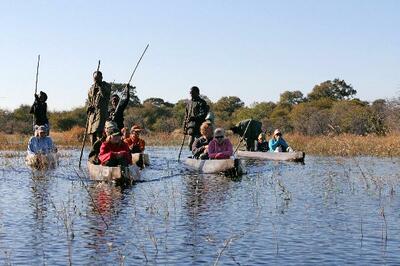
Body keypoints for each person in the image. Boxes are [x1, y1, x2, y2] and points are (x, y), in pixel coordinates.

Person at [87, 71, 111, 145]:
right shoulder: (91, 88)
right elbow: (90, 101)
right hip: (92, 117)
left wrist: (100, 86)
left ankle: (101, 154)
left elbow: (105, 95)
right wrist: (89, 108)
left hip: (101, 116)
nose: (96, 80)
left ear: (101, 78)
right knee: (92, 137)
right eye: (95, 79)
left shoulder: (106, 86)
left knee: (100, 137)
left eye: (98, 78)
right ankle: (93, 155)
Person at [184, 86, 210, 150]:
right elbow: (186, 116)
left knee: (198, 144)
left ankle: (199, 155)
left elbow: (203, 114)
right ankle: (193, 156)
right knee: (190, 145)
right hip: (191, 128)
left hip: (199, 128)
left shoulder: (202, 102)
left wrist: (194, 118)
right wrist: (184, 128)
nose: (191, 94)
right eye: (190, 93)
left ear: (197, 93)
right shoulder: (189, 103)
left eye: (192, 93)